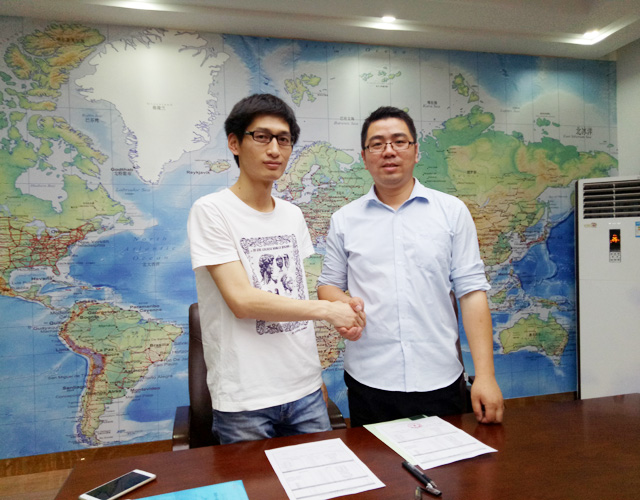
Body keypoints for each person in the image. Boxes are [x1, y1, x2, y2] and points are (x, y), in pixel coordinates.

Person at [187, 93, 365, 444]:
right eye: (262, 137)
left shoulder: (292, 214)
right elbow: (242, 301)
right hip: (245, 399)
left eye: (283, 140)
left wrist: (342, 312)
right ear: (234, 143)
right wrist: (328, 310)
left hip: (305, 391)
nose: (274, 150)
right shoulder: (211, 211)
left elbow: (292, 295)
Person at [317, 106, 504, 427]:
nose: (388, 150)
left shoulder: (452, 212)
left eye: (399, 141)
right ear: (364, 157)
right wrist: (345, 306)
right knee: (376, 460)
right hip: (369, 380)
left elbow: (472, 293)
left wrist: (485, 376)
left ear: (416, 151)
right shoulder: (344, 220)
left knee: (445, 460)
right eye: (377, 144)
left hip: (439, 377)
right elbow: (328, 286)